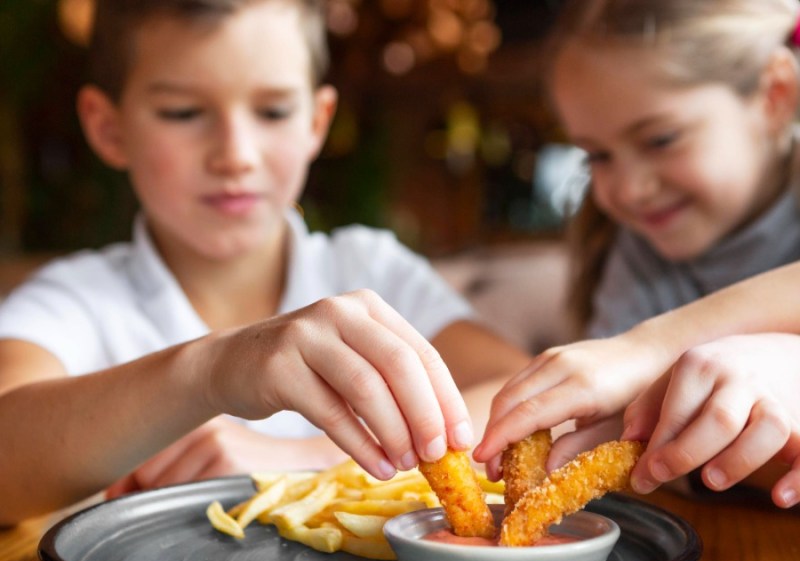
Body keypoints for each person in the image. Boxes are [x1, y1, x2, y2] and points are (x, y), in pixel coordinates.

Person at [0, 0, 530, 526]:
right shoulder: (75, 301)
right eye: (183, 113)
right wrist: (210, 372)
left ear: (317, 121)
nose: (235, 154)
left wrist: (308, 462)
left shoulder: (370, 270)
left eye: (273, 111)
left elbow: (526, 397)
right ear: (109, 128)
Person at [474, 0, 800, 508]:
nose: (629, 189)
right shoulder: (635, 254)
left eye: (661, 139)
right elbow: (630, 436)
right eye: (598, 155)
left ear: (775, 96)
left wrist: (645, 349)